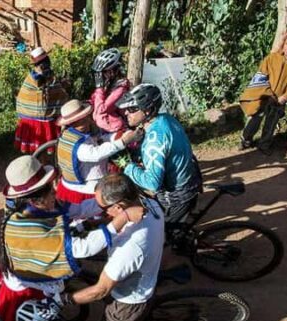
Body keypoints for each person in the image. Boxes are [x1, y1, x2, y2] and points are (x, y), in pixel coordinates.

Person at [0, 155, 140, 321]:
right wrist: (122, 219)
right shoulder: (28, 225)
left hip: (22, 276)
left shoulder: (38, 207)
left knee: (11, 318)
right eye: (51, 190)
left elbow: (78, 210)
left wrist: (104, 201)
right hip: (28, 287)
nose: (55, 192)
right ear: (38, 199)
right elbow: (81, 248)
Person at [59, 174, 164, 321]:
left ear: (120, 205)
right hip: (144, 278)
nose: (100, 211)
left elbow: (101, 290)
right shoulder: (148, 201)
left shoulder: (131, 246)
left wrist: (65, 300)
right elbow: (113, 220)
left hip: (127, 299)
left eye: (103, 207)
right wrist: (95, 223)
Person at [116, 84, 202, 224]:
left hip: (177, 197)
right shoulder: (165, 119)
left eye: (132, 109)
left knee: (164, 238)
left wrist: (127, 165)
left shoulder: (155, 139)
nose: (126, 113)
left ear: (148, 110)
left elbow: (152, 183)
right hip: (190, 182)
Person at [54, 99, 142, 204]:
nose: (81, 123)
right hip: (85, 189)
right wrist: (123, 141)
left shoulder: (77, 133)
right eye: (76, 121)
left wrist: (117, 136)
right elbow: (96, 154)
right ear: (70, 123)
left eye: (83, 118)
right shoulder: (77, 144)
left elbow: (99, 140)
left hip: (84, 183)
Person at [238, 30, 287, 154]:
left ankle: (264, 144)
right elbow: (260, 76)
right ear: (283, 44)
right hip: (265, 95)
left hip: (281, 98)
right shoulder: (271, 58)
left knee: (272, 121)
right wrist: (269, 94)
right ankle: (245, 140)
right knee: (256, 118)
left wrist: (285, 97)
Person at [14, 47, 69, 154]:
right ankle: (43, 164)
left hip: (31, 118)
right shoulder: (36, 78)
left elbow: (52, 90)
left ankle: (38, 163)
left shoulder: (35, 77)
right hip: (41, 121)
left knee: (37, 148)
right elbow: (53, 91)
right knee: (42, 146)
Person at [90, 48, 132, 135]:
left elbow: (102, 109)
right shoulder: (109, 84)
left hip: (115, 129)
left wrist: (99, 88)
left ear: (113, 70)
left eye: (103, 72)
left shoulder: (121, 88)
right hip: (104, 128)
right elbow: (94, 100)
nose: (100, 76)